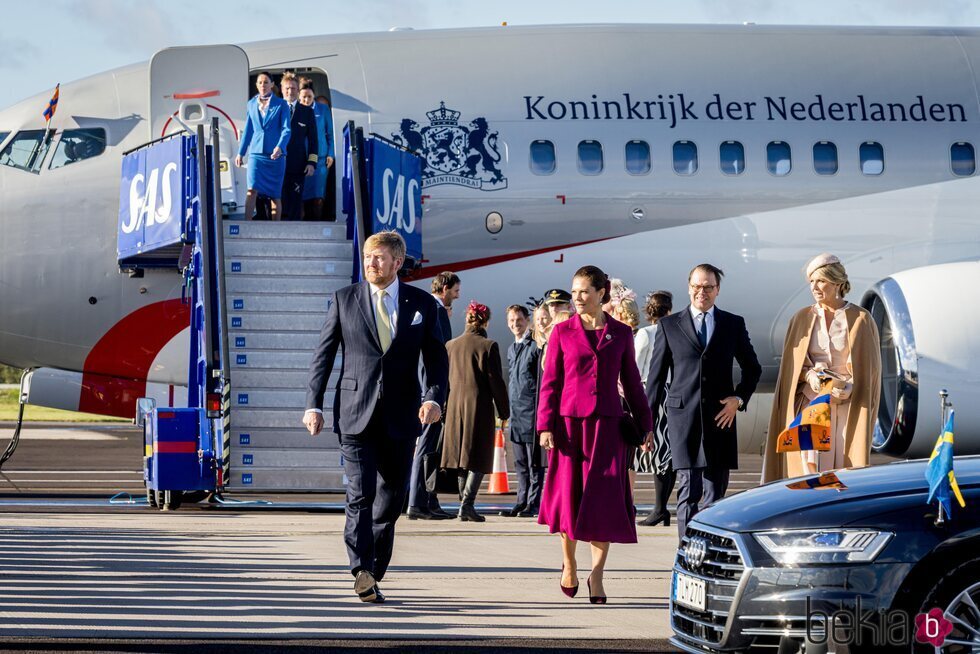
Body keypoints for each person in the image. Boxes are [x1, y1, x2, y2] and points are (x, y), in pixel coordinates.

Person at [303, 230, 448, 603]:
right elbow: (324, 355)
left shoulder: (422, 305)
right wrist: (313, 403)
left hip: (401, 416)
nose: (371, 263)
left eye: (379, 257)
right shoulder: (344, 299)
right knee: (360, 493)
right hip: (354, 413)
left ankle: (373, 570)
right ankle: (360, 569)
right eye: (368, 257)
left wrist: (434, 399)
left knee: (391, 499)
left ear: (397, 262)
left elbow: (436, 359)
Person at [537, 266, 653, 604]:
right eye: (574, 292)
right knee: (568, 500)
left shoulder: (621, 333)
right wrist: (545, 425)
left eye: (584, 291)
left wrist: (645, 425)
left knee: (603, 502)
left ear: (602, 293)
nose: (577, 298)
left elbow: (632, 381)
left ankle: (597, 575)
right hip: (569, 428)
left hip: (608, 428)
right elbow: (550, 383)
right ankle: (570, 563)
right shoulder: (562, 332)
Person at [645, 264, 762, 544]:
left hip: (720, 418)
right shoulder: (669, 326)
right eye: (697, 286)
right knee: (688, 490)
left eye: (708, 286)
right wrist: (646, 425)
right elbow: (655, 379)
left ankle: (710, 548)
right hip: (682, 419)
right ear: (689, 288)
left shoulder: (733, 324)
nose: (702, 292)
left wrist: (738, 399)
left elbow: (752, 368)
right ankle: (687, 550)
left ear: (717, 290)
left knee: (715, 494)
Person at [762, 254, 881, 482]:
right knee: (810, 465)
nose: (815, 287)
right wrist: (809, 375)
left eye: (821, 281)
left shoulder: (860, 318)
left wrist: (850, 385)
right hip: (811, 402)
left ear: (837, 283)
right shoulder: (801, 318)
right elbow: (792, 368)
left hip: (847, 405)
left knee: (843, 465)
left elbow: (870, 371)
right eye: (812, 282)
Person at [440, 302, 510, 522]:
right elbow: (495, 382)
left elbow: (443, 381)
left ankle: (464, 504)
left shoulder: (450, 345)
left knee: (461, 457)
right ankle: (467, 505)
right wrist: (504, 411)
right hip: (477, 406)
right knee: (478, 455)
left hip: (453, 407)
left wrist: (443, 408)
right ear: (486, 321)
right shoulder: (488, 346)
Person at [406, 271, 461, 520]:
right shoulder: (436, 311)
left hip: (426, 389)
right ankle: (418, 501)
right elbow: (437, 356)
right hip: (432, 392)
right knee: (426, 446)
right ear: (445, 288)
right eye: (455, 292)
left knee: (429, 447)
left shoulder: (427, 308)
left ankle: (429, 498)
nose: (456, 297)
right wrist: (435, 394)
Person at [634, 291, 676, 527]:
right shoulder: (674, 330)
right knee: (668, 453)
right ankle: (662, 508)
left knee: (659, 452)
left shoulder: (645, 333)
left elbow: (636, 366)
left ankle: (660, 509)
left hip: (653, 391)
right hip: (673, 393)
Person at [501, 304, 544, 518]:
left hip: (532, 412)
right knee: (520, 464)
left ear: (527, 320)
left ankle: (534, 503)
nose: (515, 324)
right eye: (511, 321)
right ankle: (521, 501)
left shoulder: (535, 346)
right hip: (516, 414)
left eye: (518, 320)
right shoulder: (512, 348)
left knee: (534, 462)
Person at [235, 72, 290, 221]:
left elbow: (286, 129)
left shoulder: (281, 104)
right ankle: (247, 225)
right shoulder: (251, 104)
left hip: (276, 155)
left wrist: (280, 147)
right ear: (256, 85)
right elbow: (248, 129)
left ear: (272, 84)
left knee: (275, 195)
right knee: (251, 190)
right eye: (260, 82)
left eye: (266, 82)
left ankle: (275, 228)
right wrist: (241, 152)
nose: (263, 85)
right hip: (256, 154)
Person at [279, 72, 319, 221]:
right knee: (278, 198)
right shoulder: (275, 109)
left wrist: (311, 162)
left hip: (298, 164)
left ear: (298, 90)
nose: (290, 91)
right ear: (282, 89)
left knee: (295, 200)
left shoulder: (307, 112)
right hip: (277, 162)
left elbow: (314, 140)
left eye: (294, 88)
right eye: (287, 88)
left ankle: (294, 229)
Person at [298, 78, 334, 221]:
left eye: (309, 97)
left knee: (318, 198)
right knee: (300, 197)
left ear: (314, 96)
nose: (306, 100)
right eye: (303, 97)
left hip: (320, 161)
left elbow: (330, 134)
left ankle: (317, 223)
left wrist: (330, 154)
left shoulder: (323, 109)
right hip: (300, 160)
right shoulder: (294, 110)